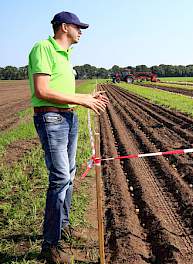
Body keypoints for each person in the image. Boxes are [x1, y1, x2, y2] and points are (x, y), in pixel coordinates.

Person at [28, 11, 109, 263]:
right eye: (78, 27)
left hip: (68, 118)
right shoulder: (43, 48)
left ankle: (61, 228)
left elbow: (62, 89)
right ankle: (50, 245)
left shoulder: (67, 55)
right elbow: (42, 90)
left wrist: (84, 100)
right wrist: (82, 98)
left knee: (70, 175)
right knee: (60, 177)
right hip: (51, 118)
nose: (81, 31)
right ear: (64, 27)